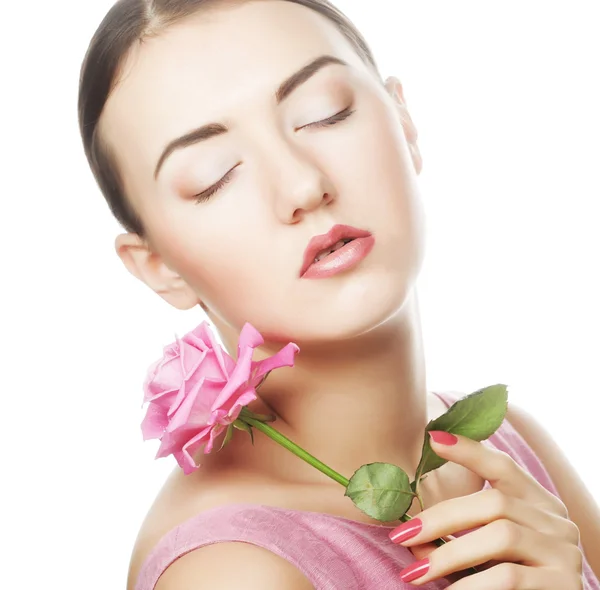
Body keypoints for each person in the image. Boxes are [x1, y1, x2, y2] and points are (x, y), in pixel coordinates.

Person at [78, 1, 600, 588]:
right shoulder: (230, 570)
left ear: (403, 121)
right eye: (215, 175)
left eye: (324, 114)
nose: (303, 185)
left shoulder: (511, 452)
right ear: (159, 268)